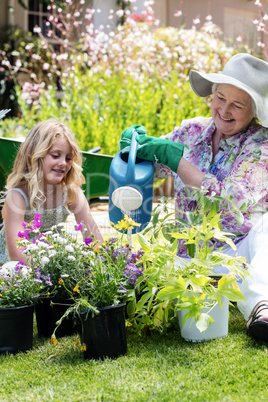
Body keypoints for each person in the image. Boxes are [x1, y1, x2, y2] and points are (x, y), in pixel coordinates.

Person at [119, 53, 268, 342]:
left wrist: (179, 163)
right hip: (191, 256)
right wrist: (133, 147)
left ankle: (261, 310)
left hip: (242, 254)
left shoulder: (261, 144)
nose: (224, 110)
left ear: (254, 111)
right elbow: (154, 162)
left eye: (237, 105)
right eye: (220, 98)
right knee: (142, 273)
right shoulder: (191, 130)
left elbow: (229, 198)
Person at [0, 119, 103, 265]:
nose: (63, 163)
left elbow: (94, 237)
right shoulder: (18, 196)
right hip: (19, 269)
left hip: (54, 263)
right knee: (13, 268)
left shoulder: (71, 193)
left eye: (68, 158)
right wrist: (52, 269)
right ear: (34, 155)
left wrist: (101, 262)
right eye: (55, 156)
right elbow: (16, 252)